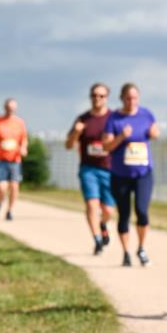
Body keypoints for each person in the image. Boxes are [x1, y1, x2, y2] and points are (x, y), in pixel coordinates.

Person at [102, 83, 158, 266]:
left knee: (142, 211)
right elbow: (106, 146)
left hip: (143, 172)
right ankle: (126, 252)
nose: (131, 101)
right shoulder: (114, 119)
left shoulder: (146, 114)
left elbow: (155, 131)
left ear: (138, 98)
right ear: (122, 98)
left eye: (134, 97)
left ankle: (141, 248)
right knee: (124, 213)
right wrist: (121, 137)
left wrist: (153, 132)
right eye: (128, 98)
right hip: (120, 174)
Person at [65, 82, 116, 255]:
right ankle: (97, 240)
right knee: (92, 205)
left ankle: (103, 224)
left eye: (101, 96)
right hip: (89, 168)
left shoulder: (113, 118)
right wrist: (76, 133)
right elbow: (68, 145)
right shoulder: (83, 119)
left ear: (107, 98)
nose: (97, 98)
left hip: (110, 168)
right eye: (94, 95)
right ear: (90, 97)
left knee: (108, 210)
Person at [0, 98, 28, 221]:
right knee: (1, 188)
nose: (11, 110)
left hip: (15, 159)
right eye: (9, 108)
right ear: (5, 108)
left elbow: (24, 139)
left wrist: (24, 148)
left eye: (13, 108)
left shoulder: (19, 122)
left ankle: (10, 211)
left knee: (14, 186)